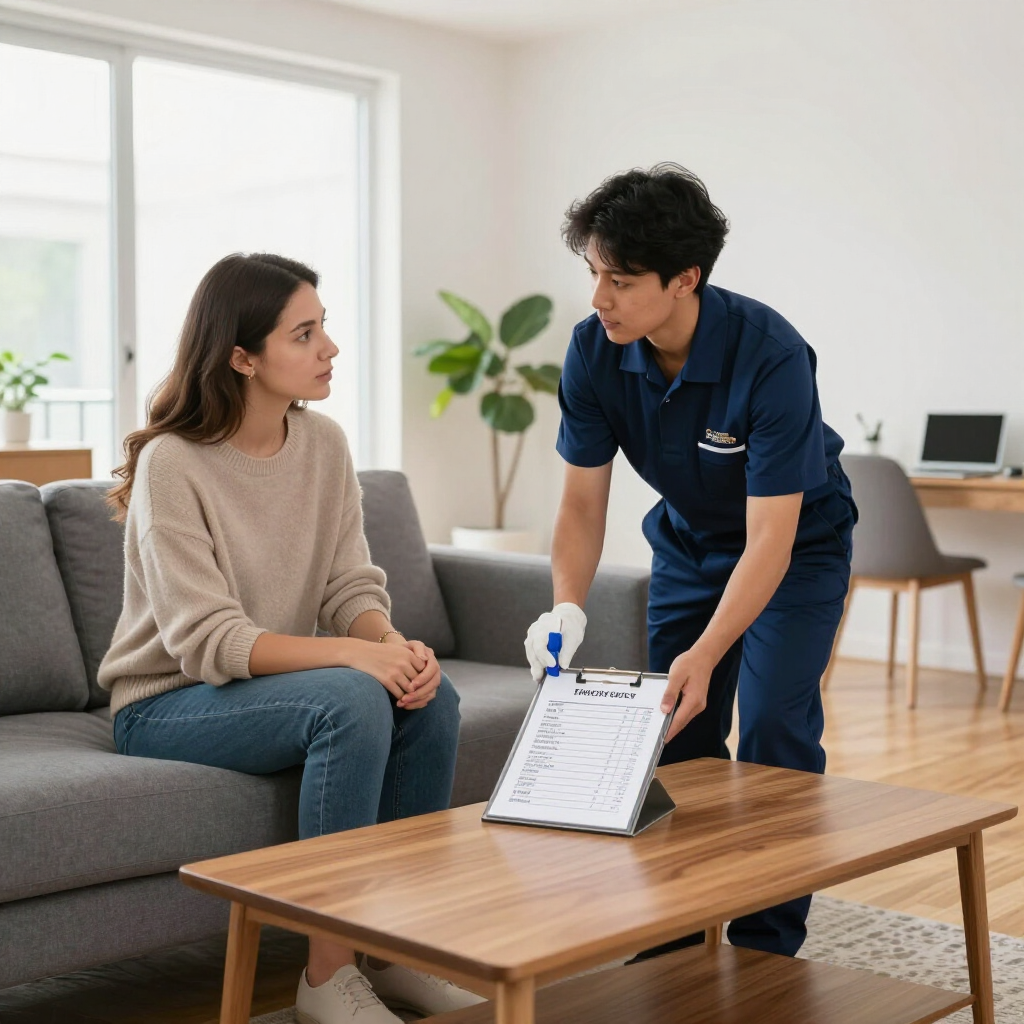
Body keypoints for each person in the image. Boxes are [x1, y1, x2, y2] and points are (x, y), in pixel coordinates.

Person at [99, 253, 484, 1024]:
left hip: (261, 688)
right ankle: (325, 976)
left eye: (325, 328)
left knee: (430, 701)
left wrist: (392, 648)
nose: (329, 349)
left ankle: (399, 951)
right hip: (168, 702)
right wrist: (357, 657)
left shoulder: (324, 445)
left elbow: (348, 587)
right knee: (349, 700)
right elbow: (208, 640)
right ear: (242, 357)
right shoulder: (173, 464)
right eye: (304, 335)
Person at [524, 164, 856, 959]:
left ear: (685, 279)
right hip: (689, 546)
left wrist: (706, 653)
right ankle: (671, 931)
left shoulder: (769, 353)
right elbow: (580, 504)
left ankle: (764, 943)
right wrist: (566, 605)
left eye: (621, 279)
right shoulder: (594, 351)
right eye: (593, 274)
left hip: (798, 549)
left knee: (775, 722)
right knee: (673, 730)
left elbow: (771, 539)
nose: (600, 298)